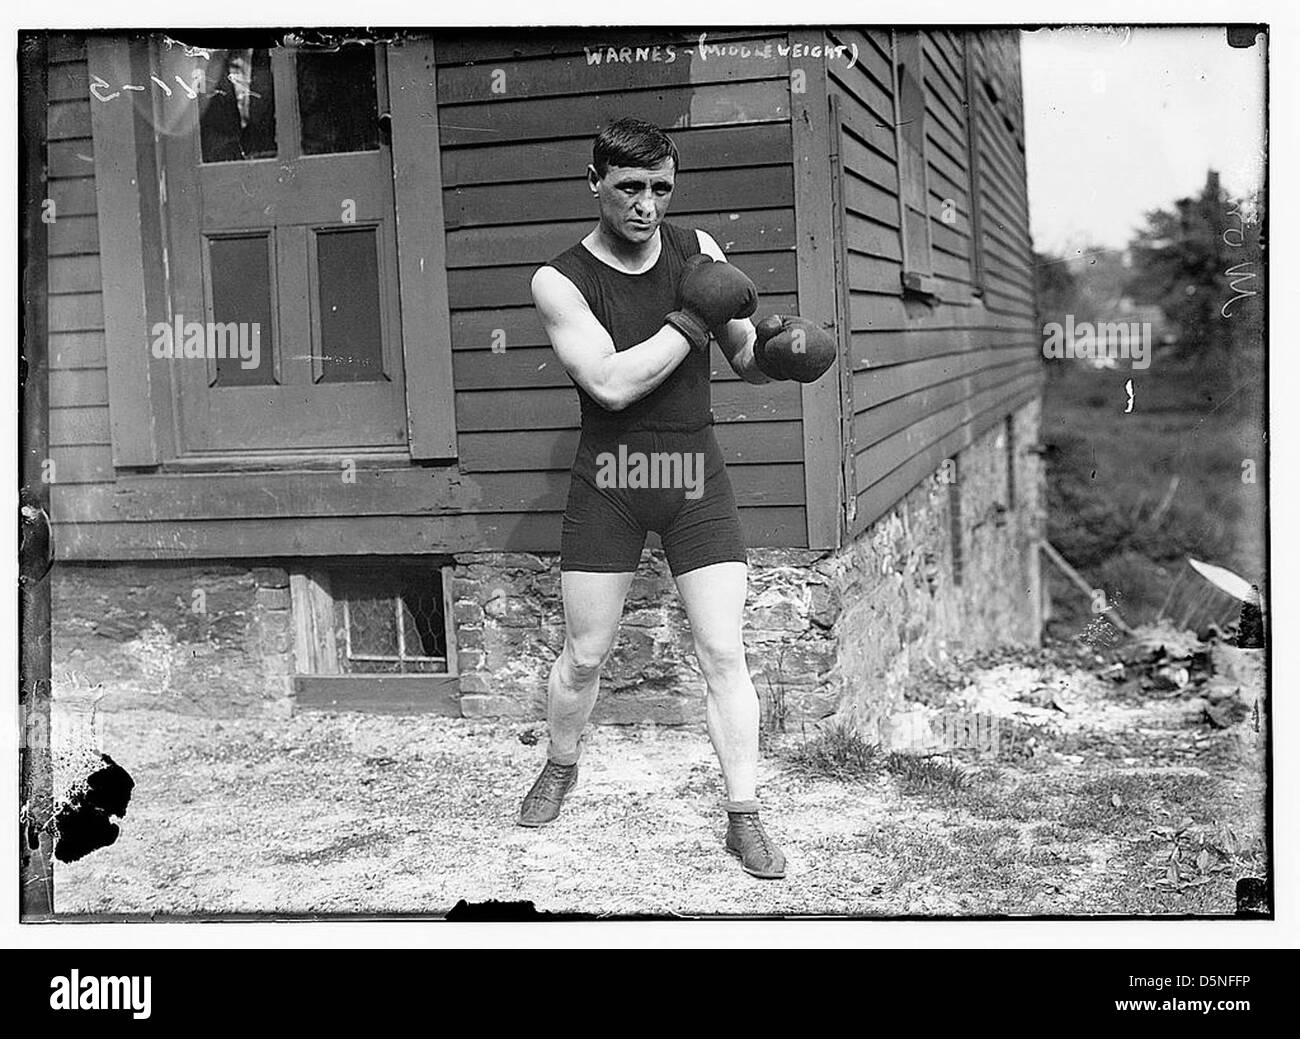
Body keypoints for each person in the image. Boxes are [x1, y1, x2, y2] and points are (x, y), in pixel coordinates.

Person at [519, 117, 833, 879]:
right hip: (614, 480)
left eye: (662, 188)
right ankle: (562, 763)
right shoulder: (559, 280)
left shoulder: (700, 252)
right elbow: (610, 382)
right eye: (629, 187)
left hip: (693, 474)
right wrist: (693, 314)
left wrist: (783, 353)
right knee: (586, 656)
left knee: (724, 650)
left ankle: (744, 816)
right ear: (593, 182)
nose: (647, 206)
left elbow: (744, 360)